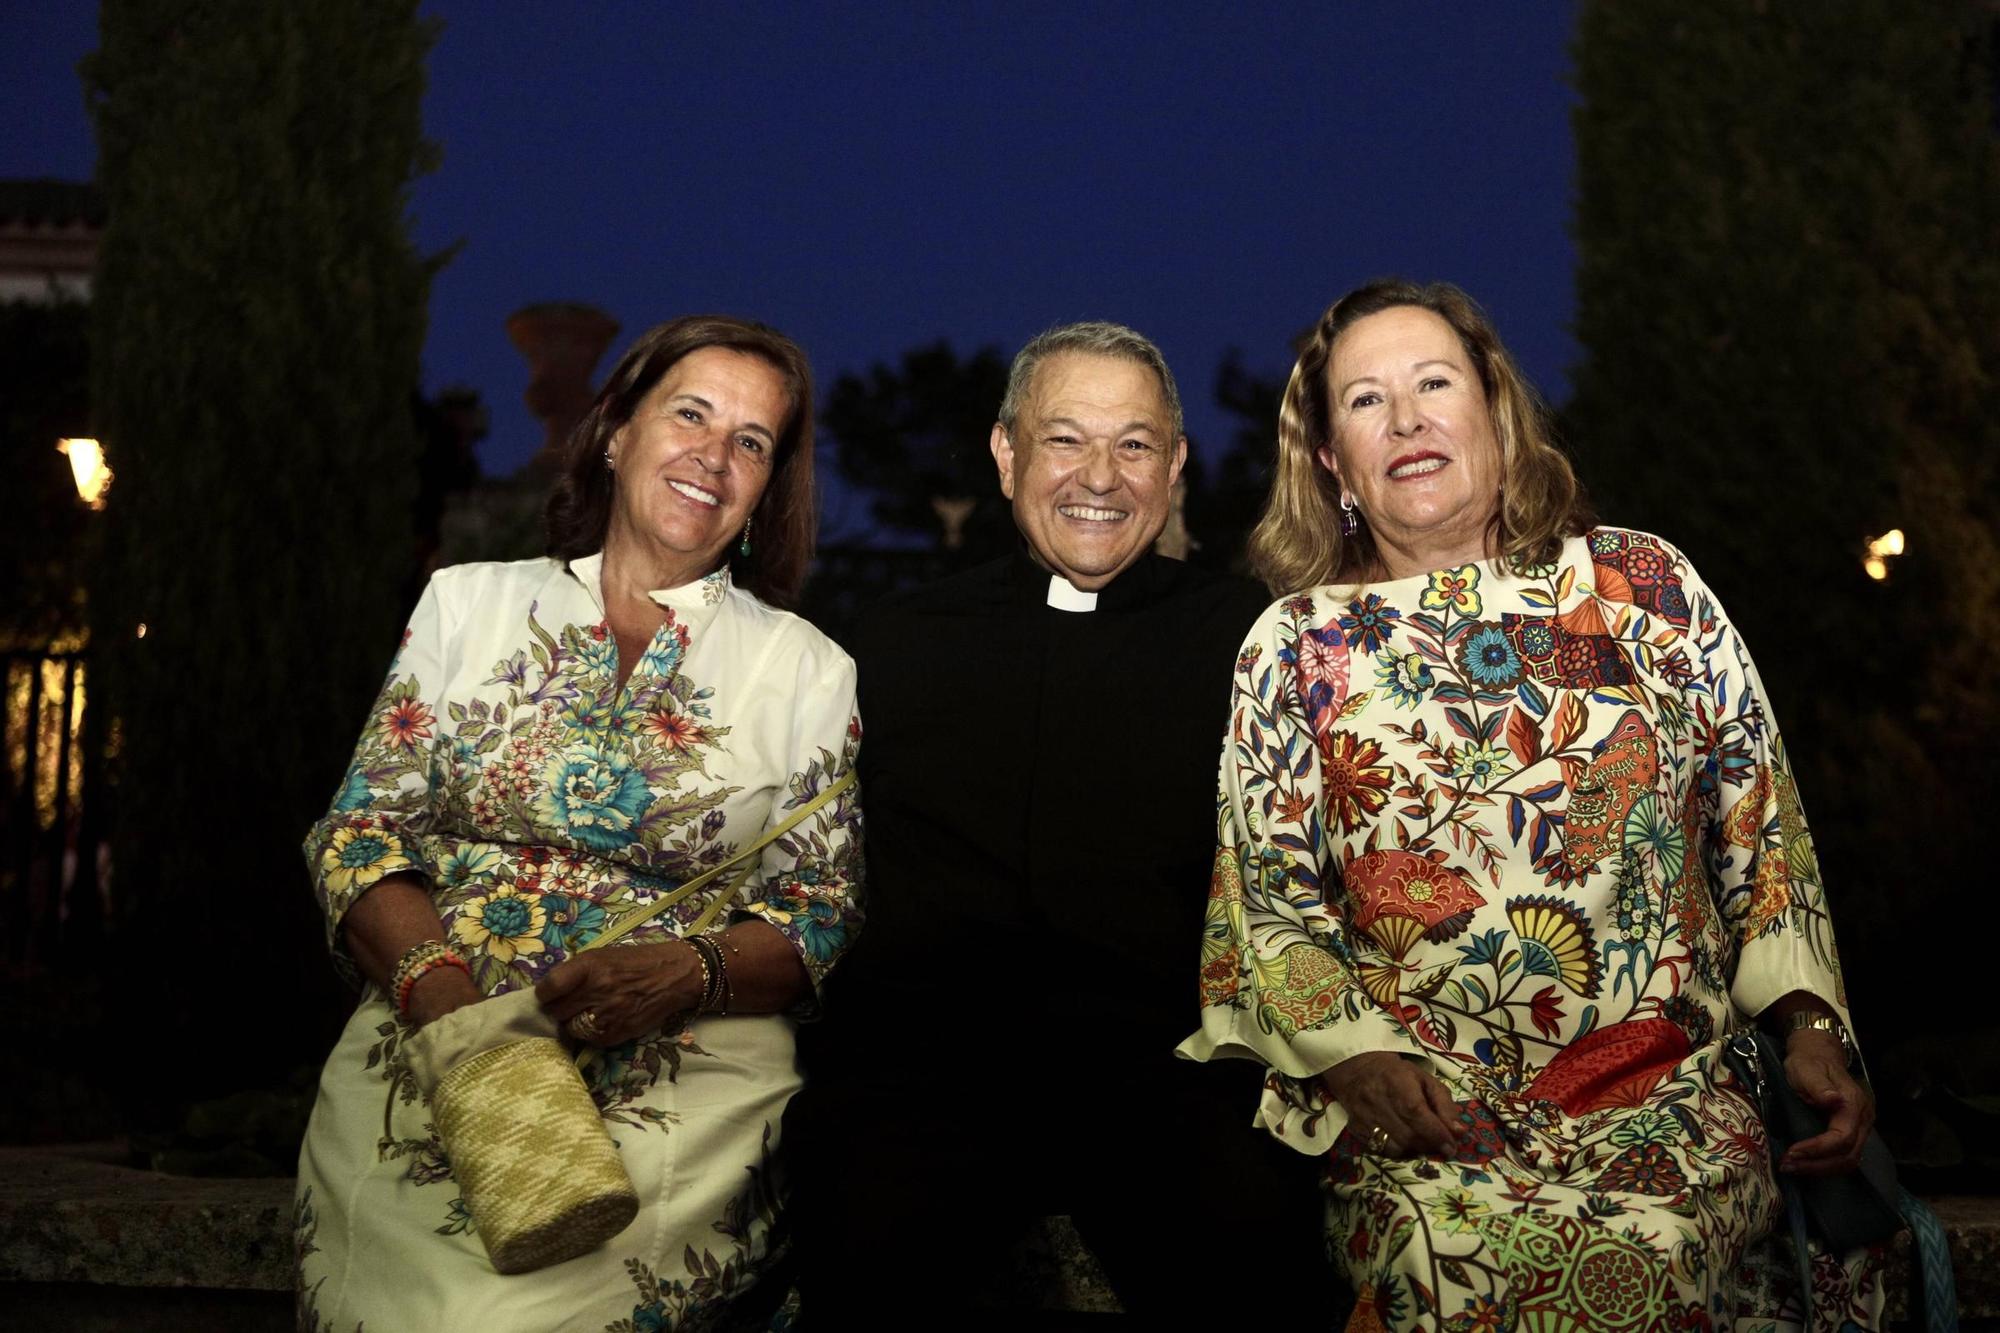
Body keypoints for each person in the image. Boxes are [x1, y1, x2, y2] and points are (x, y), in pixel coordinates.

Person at [1182, 278, 1882, 1330]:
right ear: (1331, 460)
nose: (1407, 418)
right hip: (1426, 1119)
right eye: (1365, 401)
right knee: (1435, 1265)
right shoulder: (1292, 645)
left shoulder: (1642, 584)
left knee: (1647, 1251)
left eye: (1432, 383)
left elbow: (1759, 828)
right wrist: (1355, 1056)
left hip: (1667, 1098)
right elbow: (1269, 901)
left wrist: (1807, 1018)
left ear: (1494, 411)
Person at [295, 315, 863, 1331]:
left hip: (683, 1066)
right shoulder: (464, 607)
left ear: (767, 486)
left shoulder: (807, 668)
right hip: (438, 1027)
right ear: (615, 432)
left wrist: (681, 975)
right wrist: (448, 1001)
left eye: (751, 441)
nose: (714, 456)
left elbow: (818, 913)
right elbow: (359, 831)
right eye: (690, 414)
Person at [784, 322, 1345, 1325]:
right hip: (928, 1073)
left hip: (1161, 1074)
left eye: (1133, 444)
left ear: (1174, 466)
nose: (1100, 475)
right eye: (1063, 440)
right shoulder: (895, 640)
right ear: (1005, 457)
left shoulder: (1247, 639)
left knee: (1261, 1262)